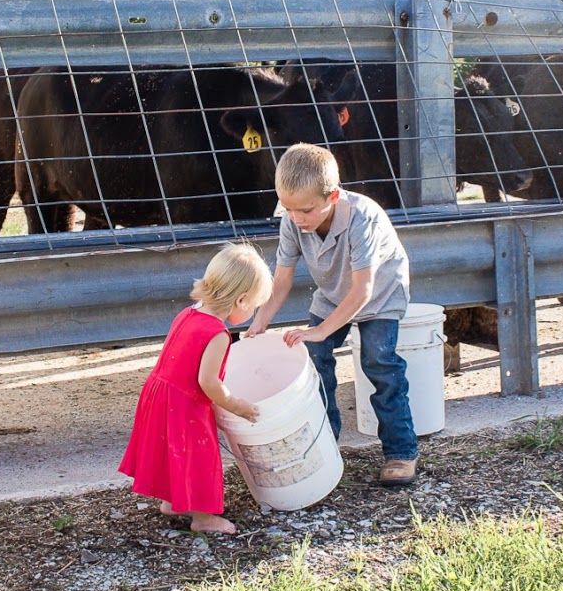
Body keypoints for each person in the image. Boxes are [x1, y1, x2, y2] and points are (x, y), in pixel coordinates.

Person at [246, 143, 418, 488]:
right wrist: (260, 320)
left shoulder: (361, 217)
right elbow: (281, 279)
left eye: (306, 210)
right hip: (332, 292)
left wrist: (323, 329)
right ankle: (325, 445)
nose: (297, 218)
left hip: (378, 293)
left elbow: (363, 290)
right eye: (288, 208)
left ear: (333, 196)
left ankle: (401, 450)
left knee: (378, 362)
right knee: (313, 359)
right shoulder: (294, 219)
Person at [118, 242, 270, 533]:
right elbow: (208, 382)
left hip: (160, 394)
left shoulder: (190, 312)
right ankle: (203, 519)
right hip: (185, 404)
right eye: (253, 306)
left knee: (171, 450)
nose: (252, 311)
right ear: (240, 301)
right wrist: (237, 406)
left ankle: (173, 501)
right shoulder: (218, 334)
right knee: (200, 460)